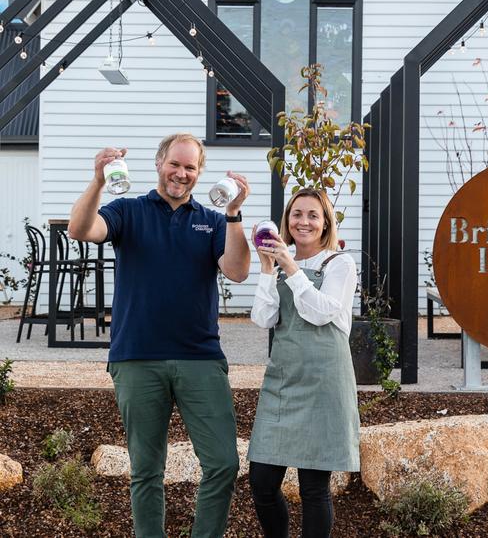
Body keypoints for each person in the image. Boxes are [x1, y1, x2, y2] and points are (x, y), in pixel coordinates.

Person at [68, 133, 250, 538]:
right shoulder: (128, 211)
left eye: (190, 167)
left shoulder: (213, 220)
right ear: (158, 163)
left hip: (200, 358)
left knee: (223, 462)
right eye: (175, 164)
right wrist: (98, 180)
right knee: (147, 470)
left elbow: (237, 271)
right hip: (137, 357)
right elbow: (81, 230)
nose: (181, 174)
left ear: (199, 173)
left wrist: (235, 214)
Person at [247, 187, 360, 538]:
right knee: (262, 484)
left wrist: (291, 267)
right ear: (287, 220)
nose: (304, 221)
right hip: (284, 381)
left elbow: (323, 312)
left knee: (314, 489)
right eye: (297, 214)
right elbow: (263, 318)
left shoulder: (339, 263)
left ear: (326, 223)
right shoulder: (280, 264)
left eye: (313, 215)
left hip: (325, 384)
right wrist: (268, 269)